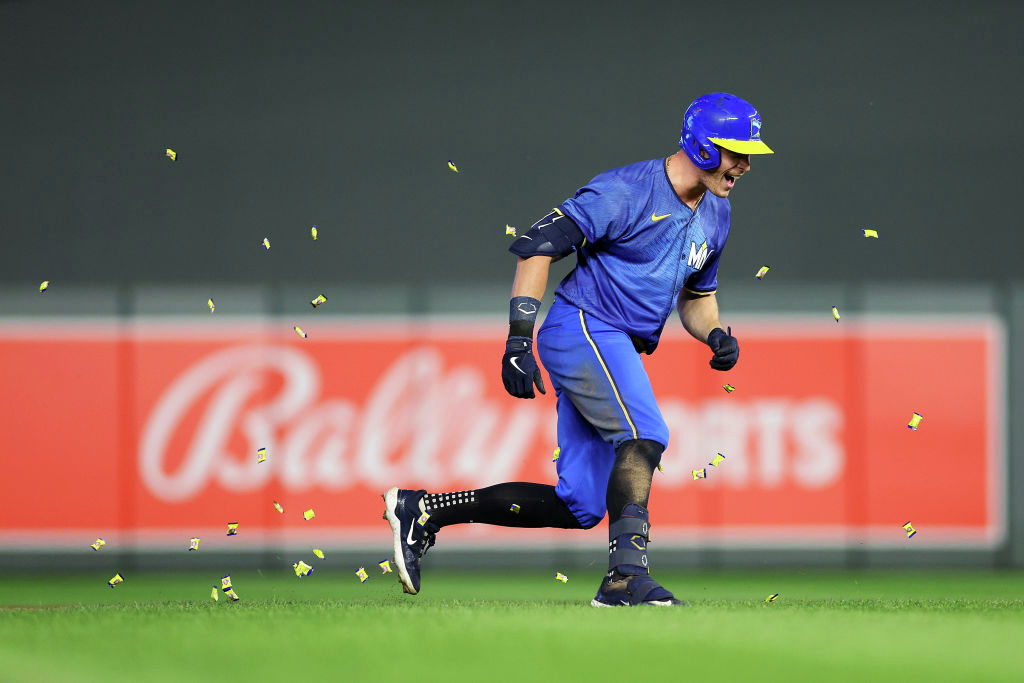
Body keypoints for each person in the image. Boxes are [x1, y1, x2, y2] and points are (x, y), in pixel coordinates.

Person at [383, 92, 773, 607]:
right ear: (701, 145)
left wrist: (715, 332)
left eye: (749, 153)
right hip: (584, 326)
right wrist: (519, 338)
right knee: (645, 433)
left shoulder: (717, 213)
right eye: (734, 151)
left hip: (614, 342)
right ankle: (625, 579)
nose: (744, 164)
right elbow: (536, 247)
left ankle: (425, 510)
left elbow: (697, 297)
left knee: (581, 505)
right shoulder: (625, 191)